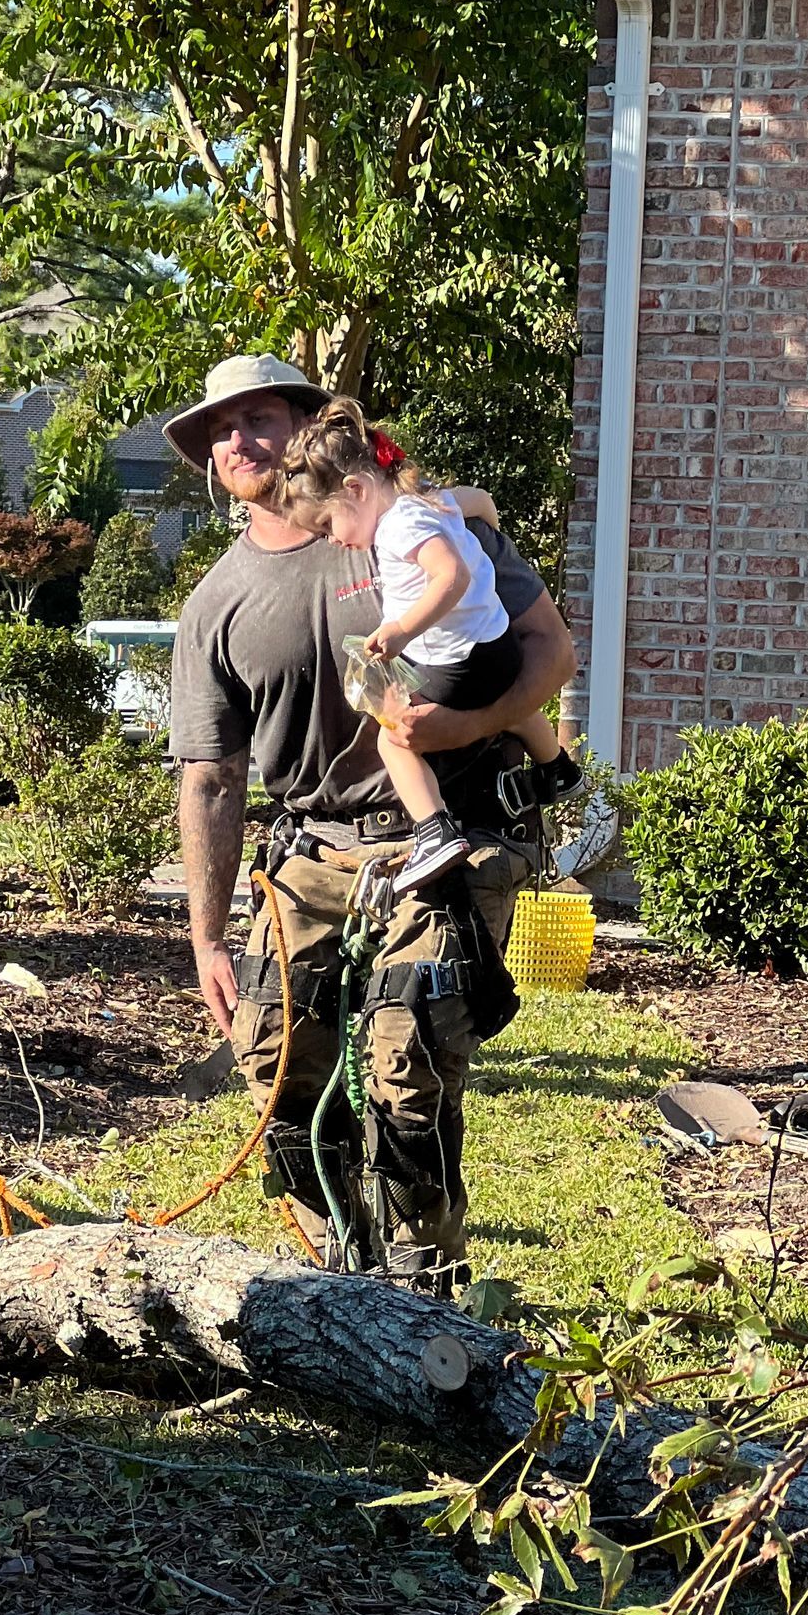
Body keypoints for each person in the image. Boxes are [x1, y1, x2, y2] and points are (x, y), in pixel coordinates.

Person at [165, 353, 578, 1291]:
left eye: (258, 419)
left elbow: (552, 652)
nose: (238, 441)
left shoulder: (399, 523)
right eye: (220, 432)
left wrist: (463, 725)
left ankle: (424, 1295)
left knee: (407, 1061)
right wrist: (207, 939)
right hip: (312, 849)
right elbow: (212, 781)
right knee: (275, 1067)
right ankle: (338, 1279)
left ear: (308, 429)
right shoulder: (215, 604)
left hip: (449, 830)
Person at [279, 396, 580, 892]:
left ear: (355, 490)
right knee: (506, 702)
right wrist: (485, 534)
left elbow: (451, 577)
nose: (331, 540)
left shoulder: (398, 528)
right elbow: (481, 502)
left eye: (327, 525)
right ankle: (558, 769)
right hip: (497, 649)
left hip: (458, 663)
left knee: (393, 736)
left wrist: (402, 631)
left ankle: (434, 831)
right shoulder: (428, 502)